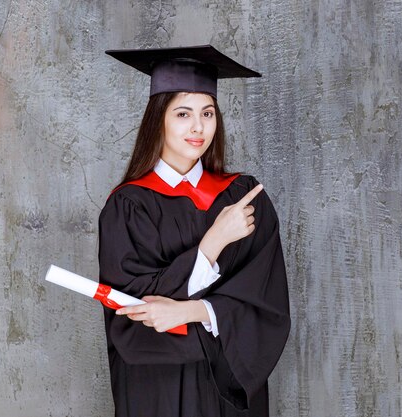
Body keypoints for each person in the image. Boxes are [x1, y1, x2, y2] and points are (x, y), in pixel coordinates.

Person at [98, 45, 290, 417]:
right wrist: (214, 241)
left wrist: (190, 312)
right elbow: (134, 309)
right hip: (158, 390)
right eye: (183, 114)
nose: (198, 127)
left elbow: (266, 302)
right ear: (159, 120)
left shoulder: (243, 198)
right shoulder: (127, 206)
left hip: (226, 388)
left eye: (207, 113)